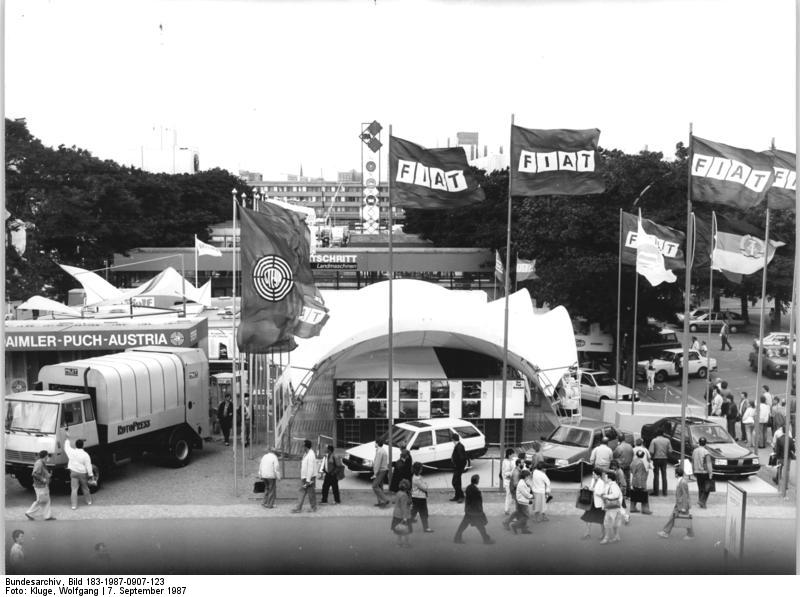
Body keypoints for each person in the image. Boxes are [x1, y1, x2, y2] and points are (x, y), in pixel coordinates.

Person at [453, 474, 495, 545]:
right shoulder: (476, 491)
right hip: (475, 512)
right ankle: (486, 539)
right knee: (480, 526)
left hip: (469, 511)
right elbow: (478, 503)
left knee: (463, 525)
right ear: (477, 481)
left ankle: (457, 537)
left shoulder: (468, 488)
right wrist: (481, 512)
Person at [657, 466, 695, 540]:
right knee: (672, 517)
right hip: (679, 504)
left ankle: (691, 534)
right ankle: (666, 532)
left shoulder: (683, 482)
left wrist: (684, 507)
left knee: (686, 519)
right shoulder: (681, 481)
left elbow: (685, 495)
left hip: (683, 505)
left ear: (676, 474)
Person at [64, 429, 94, 510]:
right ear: (82, 445)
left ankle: (74, 505)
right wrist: (91, 475)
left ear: (76, 445)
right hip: (82, 473)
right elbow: (88, 465)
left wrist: (67, 437)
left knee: (74, 489)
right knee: (85, 487)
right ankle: (89, 501)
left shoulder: (71, 452)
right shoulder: (85, 454)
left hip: (73, 472)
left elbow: (66, 447)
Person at [25, 450, 55, 521]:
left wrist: (48, 475)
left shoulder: (42, 463)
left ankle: (47, 516)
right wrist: (43, 479)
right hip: (40, 486)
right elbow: (34, 474)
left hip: (42, 485)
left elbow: (41, 472)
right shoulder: (39, 463)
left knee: (46, 500)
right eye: (48, 455)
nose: (48, 457)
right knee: (41, 500)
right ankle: (30, 513)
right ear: (45, 456)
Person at [291, 439, 317, 513]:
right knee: (302, 491)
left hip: (309, 478)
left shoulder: (311, 455)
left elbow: (310, 468)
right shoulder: (306, 454)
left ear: (306, 446)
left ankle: (313, 507)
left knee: (310, 492)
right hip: (305, 477)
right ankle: (299, 508)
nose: (302, 447)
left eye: (303, 445)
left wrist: (308, 480)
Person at [581, 468, 606, 540]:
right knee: (588, 518)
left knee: (601, 520)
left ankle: (602, 533)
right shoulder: (592, 480)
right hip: (591, 502)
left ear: (598, 475)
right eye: (592, 474)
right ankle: (587, 533)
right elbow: (591, 488)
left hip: (598, 504)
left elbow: (601, 494)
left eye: (594, 474)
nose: (593, 475)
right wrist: (588, 488)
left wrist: (593, 490)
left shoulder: (601, 483)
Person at [600, 469, 623, 544]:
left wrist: (606, 496)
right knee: (614, 523)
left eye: (605, 477)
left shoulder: (613, 485)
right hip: (615, 507)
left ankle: (606, 538)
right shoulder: (611, 485)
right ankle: (616, 536)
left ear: (609, 478)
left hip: (612, 508)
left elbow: (615, 495)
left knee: (607, 522)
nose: (604, 478)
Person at [410, 462, 433, 533]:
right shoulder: (417, 479)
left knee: (414, 511)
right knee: (424, 513)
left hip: (416, 497)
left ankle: (407, 520)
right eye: (420, 469)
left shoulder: (416, 477)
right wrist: (426, 483)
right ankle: (426, 528)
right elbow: (425, 487)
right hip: (419, 498)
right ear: (418, 470)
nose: (421, 470)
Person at [503, 458, 525, 530]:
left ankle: (519, 523)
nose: (523, 464)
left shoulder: (518, 470)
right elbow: (516, 484)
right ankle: (507, 522)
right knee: (519, 509)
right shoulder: (516, 472)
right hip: (517, 493)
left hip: (517, 492)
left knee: (519, 509)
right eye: (522, 462)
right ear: (519, 464)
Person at [691, 437, 714, 509]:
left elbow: (692, 461)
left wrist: (693, 471)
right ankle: (702, 501)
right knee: (707, 488)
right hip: (704, 472)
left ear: (699, 442)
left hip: (697, 471)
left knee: (700, 487)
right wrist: (710, 473)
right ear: (705, 443)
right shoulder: (706, 452)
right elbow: (708, 463)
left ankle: (700, 501)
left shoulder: (695, 451)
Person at [390, 478, 413, 548]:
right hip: (403, 515)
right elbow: (404, 507)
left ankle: (398, 544)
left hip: (396, 514)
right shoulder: (404, 495)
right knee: (406, 531)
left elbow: (394, 501)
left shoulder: (398, 493)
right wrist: (405, 518)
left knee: (399, 531)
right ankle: (406, 543)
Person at [629, 448, 652, 514]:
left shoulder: (633, 462)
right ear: (643, 455)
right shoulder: (642, 463)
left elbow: (631, 470)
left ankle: (632, 507)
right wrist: (640, 484)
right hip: (640, 482)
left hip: (634, 480)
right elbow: (640, 474)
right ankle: (645, 509)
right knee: (644, 495)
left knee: (634, 494)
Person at [510, 468, 534, 534]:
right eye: (528, 476)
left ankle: (524, 529)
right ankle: (515, 525)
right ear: (526, 476)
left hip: (521, 501)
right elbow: (526, 494)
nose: (529, 477)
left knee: (522, 515)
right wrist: (532, 497)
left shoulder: (523, 481)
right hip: (522, 502)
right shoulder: (522, 484)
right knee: (526, 516)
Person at [648, 430, 670, 496]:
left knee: (656, 475)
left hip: (656, 459)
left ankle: (656, 492)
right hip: (664, 459)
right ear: (663, 434)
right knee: (664, 475)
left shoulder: (654, 440)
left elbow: (651, 451)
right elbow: (670, 450)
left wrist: (651, 458)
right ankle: (665, 492)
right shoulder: (667, 440)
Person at [371, 438, 390, 507]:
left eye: (375, 443)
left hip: (380, 471)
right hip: (383, 470)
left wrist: (375, 473)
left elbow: (377, 463)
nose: (374, 444)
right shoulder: (382, 450)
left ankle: (385, 499)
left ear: (377, 443)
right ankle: (380, 502)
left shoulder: (379, 452)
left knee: (374, 486)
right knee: (380, 486)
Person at [449, 433, 467, 503]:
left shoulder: (459, 447)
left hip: (458, 468)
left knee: (455, 482)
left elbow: (462, 458)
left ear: (453, 439)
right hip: (458, 467)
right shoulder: (458, 446)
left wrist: (457, 466)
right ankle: (457, 496)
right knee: (457, 482)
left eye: (452, 439)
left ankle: (461, 496)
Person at [501, 448, 516, 515]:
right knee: (508, 494)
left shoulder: (514, 460)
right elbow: (503, 472)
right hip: (507, 481)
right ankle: (507, 509)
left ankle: (512, 509)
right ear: (509, 454)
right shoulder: (504, 461)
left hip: (513, 480)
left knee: (513, 495)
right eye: (512, 454)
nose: (513, 455)